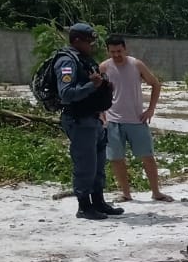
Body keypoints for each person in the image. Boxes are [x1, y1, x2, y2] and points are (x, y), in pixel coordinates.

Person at [56, 23, 124, 220]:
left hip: (94, 119)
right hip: (79, 120)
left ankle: (99, 202)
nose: (91, 46)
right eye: (88, 42)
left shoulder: (85, 59)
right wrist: (91, 85)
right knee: (85, 165)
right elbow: (66, 94)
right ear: (77, 40)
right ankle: (84, 206)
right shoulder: (66, 62)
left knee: (98, 164)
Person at [99, 35, 171, 202]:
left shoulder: (136, 64)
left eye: (119, 51)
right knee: (117, 158)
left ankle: (156, 192)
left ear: (125, 49)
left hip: (137, 119)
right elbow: (98, 92)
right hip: (113, 120)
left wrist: (151, 109)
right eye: (112, 51)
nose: (116, 54)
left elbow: (155, 84)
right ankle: (126, 193)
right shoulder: (104, 67)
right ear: (107, 51)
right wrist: (101, 114)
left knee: (147, 156)